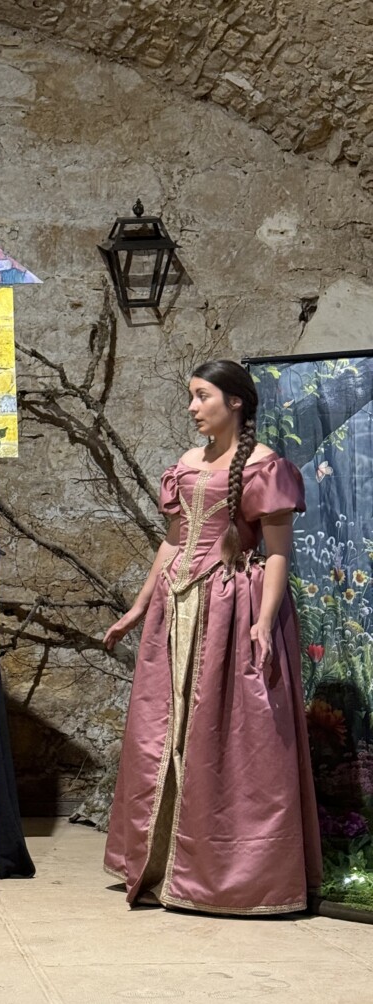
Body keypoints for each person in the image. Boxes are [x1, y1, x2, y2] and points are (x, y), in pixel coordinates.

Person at [103, 360, 322, 915]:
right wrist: (139, 606)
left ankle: (223, 874)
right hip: (177, 608)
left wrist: (263, 622)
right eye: (192, 396)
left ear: (236, 401)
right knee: (164, 731)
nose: (192, 407)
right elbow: (174, 542)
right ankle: (162, 864)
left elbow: (277, 553)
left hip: (231, 609)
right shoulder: (186, 463)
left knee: (225, 739)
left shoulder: (264, 466)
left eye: (203, 396)